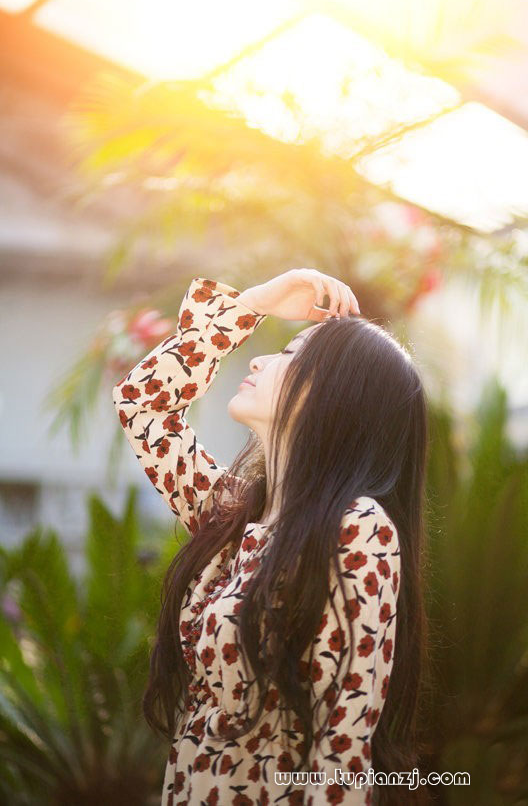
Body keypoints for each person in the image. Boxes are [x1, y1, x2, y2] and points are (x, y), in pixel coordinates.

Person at [112, 268, 428, 805]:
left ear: (337, 397)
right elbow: (143, 407)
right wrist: (253, 303)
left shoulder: (357, 528)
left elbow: (343, 744)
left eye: (288, 354)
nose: (259, 359)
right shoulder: (232, 519)